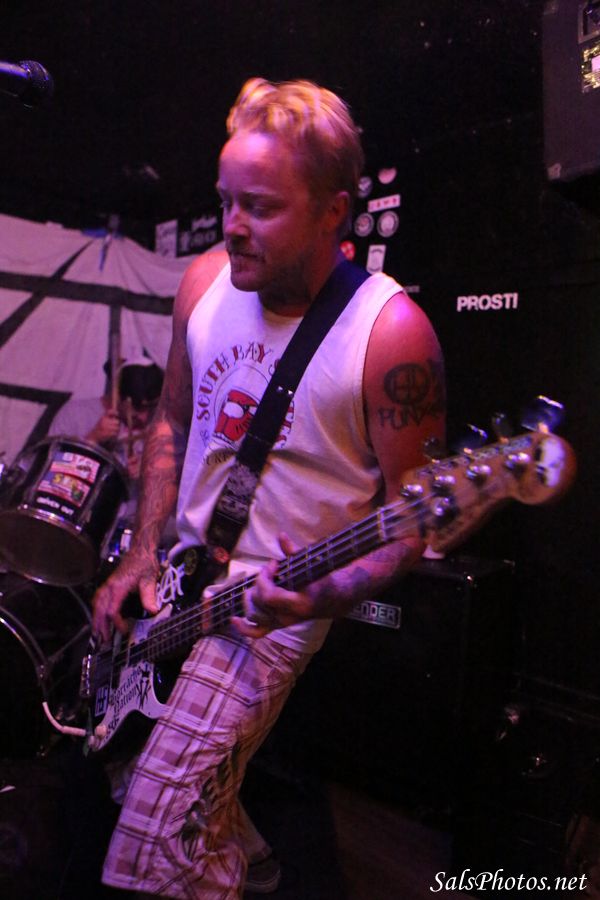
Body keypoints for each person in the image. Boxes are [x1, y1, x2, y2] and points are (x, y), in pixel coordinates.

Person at [92, 77, 445, 898]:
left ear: (333, 212)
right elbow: (171, 418)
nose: (232, 226)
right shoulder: (202, 284)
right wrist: (141, 551)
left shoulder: (390, 334)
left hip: (272, 607)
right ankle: (243, 853)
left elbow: (413, 522)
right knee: (118, 768)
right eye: (226, 202)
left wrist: (324, 593)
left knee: (148, 851)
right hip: (181, 580)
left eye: (260, 207)